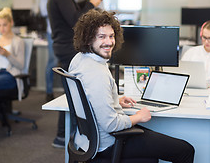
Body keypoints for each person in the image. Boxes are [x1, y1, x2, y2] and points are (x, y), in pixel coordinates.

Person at [69, 9, 195, 162]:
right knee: (185, 150)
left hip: (86, 141)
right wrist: (138, 117)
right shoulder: (98, 73)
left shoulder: (79, 59)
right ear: (88, 39)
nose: (109, 42)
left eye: (111, 36)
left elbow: (89, 97)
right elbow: (111, 124)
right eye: (101, 37)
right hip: (109, 142)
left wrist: (114, 101)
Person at [48, 0, 103, 148]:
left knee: (73, 93)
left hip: (64, 48)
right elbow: (75, 20)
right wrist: (91, 4)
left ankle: (64, 135)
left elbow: (72, 15)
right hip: (67, 49)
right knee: (75, 94)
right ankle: (63, 135)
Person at [40, 0, 64, 102]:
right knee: (53, 62)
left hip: (65, 34)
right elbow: (44, 11)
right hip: (52, 33)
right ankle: (49, 91)